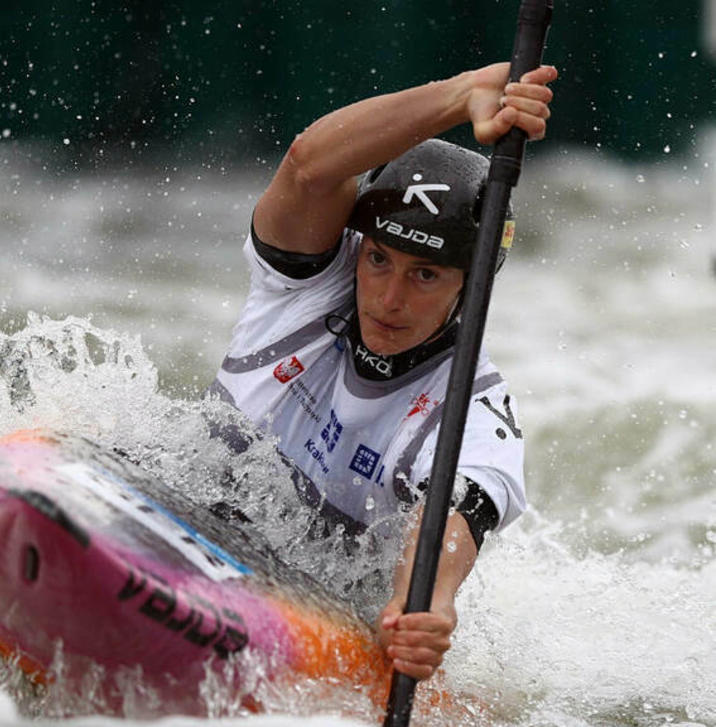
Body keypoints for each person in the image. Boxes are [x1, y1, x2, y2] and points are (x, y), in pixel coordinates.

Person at [210, 62, 558, 681]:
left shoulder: (471, 411)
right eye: (379, 259)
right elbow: (310, 166)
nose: (387, 297)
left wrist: (420, 608)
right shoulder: (309, 288)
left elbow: (451, 518)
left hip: (305, 614)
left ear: (471, 287)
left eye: (425, 275)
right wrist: (460, 95)